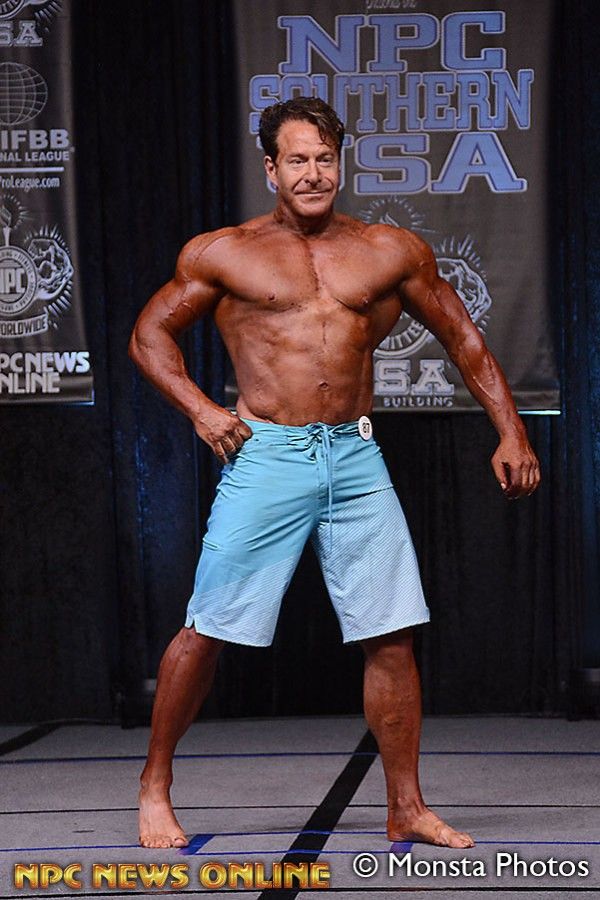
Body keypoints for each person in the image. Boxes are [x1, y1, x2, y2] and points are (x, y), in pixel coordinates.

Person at [129, 97, 540, 850]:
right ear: (271, 168)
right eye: (297, 160)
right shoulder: (225, 253)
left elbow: (464, 338)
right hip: (268, 454)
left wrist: (511, 431)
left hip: (354, 456)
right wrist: (201, 411)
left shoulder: (388, 250)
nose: (313, 174)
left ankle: (406, 806)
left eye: (324, 159)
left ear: (340, 165)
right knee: (209, 626)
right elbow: (149, 333)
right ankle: (155, 783)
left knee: (391, 635)